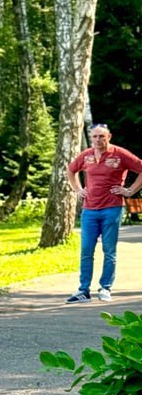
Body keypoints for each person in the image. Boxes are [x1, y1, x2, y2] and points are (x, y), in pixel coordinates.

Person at [65, 123, 142, 303]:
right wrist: (77, 189)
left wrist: (130, 191)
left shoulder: (120, 154)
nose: (98, 140)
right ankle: (83, 290)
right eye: (95, 136)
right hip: (89, 210)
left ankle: (105, 288)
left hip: (112, 208)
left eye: (102, 136)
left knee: (109, 250)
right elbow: (70, 171)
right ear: (91, 138)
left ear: (109, 137)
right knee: (86, 251)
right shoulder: (86, 156)